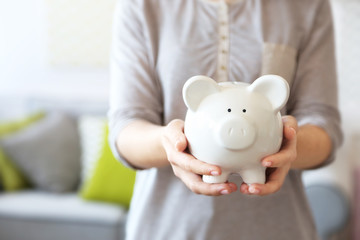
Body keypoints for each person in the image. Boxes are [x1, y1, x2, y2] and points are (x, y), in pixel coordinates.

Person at [108, 0, 343, 239]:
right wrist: (169, 144)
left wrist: (286, 143)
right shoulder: (142, 6)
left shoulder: (307, 6)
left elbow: (325, 126)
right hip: (169, 228)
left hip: (277, 228)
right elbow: (126, 127)